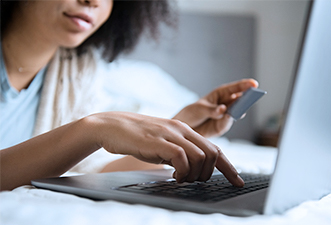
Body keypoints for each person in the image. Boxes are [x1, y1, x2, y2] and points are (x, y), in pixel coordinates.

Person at [0, 0, 258, 191]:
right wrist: (94, 129)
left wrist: (182, 131)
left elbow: (86, 170)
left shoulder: (78, 69)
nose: (93, 2)